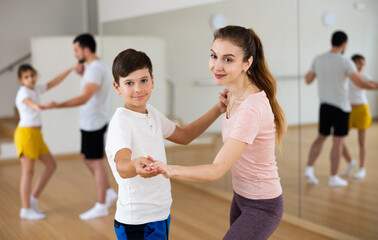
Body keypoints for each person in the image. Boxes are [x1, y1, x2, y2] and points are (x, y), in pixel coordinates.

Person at [146, 25, 286, 240]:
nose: (216, 66)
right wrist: (219, 108)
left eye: (228, 59)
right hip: (241, 197)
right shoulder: (233, 94)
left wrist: (169, 169)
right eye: (214, 56)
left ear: (247, 63)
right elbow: (186, 135)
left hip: (262, 205)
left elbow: (215, 171)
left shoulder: (251, 108)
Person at [105, 48, 228, 240]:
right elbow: (122, 165)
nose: (138, 89)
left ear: (152, 81)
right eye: (129, 83)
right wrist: (134, 165)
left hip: (160, 214)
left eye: (143, 80)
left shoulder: (152, 113)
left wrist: (219, 109)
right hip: (137, 221)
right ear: (117, 87)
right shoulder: (121, 122)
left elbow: (185, 136)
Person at [45, 33, 117, 220]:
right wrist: (83, 75)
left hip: (94, 122)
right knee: (86, 157)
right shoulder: (92, 68)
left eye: (76, 50)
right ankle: (108, 192)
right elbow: (92, 90)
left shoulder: (94, 69)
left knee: (96, 161)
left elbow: (85, 97)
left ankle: (101, 204)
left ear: (86, 50)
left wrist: (59, 105)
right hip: (90, 120)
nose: (75, 54)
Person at [304, 31, 378, 187]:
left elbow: (308, 80)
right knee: (337, 142)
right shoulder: (345, 62)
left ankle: (309, 169)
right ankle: (333, 178)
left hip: (325, 105)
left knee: (321, 137)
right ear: (344, 44)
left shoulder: (318, 59)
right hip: (341, 107)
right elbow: (360, 83)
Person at [15, 63, 78, 219]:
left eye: (32, 75)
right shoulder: (23, 92)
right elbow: (32, 105)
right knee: (28, 172)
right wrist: (44, 106)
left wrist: (70, 69)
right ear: (21, 80)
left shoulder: (35, 88)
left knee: (51, 165)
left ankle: (33, 199)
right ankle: (25, 209)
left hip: (36, 135)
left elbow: (54, 82)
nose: (31, 79)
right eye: (26, 77)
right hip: (26, 135)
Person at [342, 54, 375, 179]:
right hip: (349, 110)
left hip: (362, 109)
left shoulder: (364, 76)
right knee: (339, 139)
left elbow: (372, 84)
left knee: (362, 141)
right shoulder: (346, 76)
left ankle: (362, 168)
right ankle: (351, 162)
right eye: (359, 63)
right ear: (352, 63)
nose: (361, 66)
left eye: (363, 64)